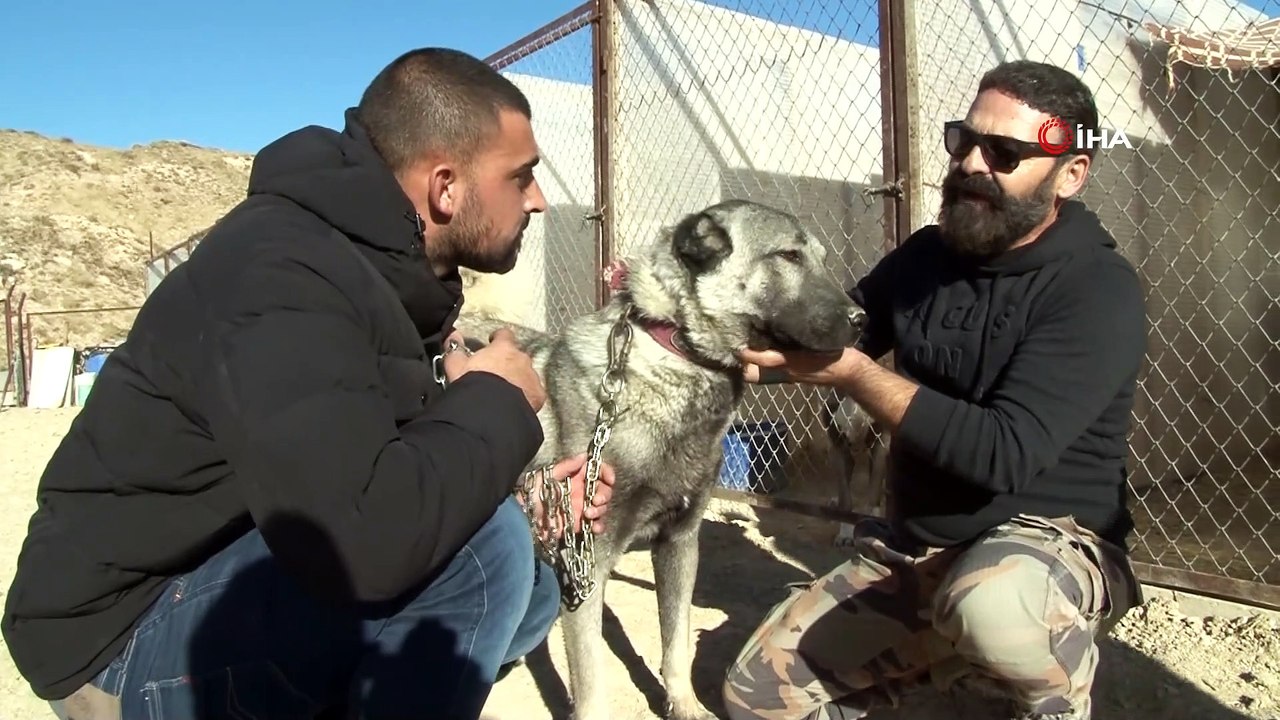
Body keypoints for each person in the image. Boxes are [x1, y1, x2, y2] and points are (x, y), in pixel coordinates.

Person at [2, 47, 615, 720]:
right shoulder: (282, 273)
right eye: (520, 176)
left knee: (528, 579)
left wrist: (526, 492)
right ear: (446, 186)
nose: (539, 198)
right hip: (118, 644)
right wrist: (494, 403)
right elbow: (367, 542)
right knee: (483, 549)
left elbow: (353, 457)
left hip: (219, 576)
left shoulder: (376, 270)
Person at [723, 60, 1148, 720]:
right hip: (924, 553)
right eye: (964, 140)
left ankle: (1044, 697)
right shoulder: (926, 257)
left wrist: (857, 377)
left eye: (1004, 152)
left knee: (994, 610)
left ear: (1069, 173)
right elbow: (835, 335)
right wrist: (695, 325)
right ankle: (947, 671)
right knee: (756, 696)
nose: (972, 163)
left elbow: (1001, 453)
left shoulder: (1097, 289)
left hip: (1052, 554)